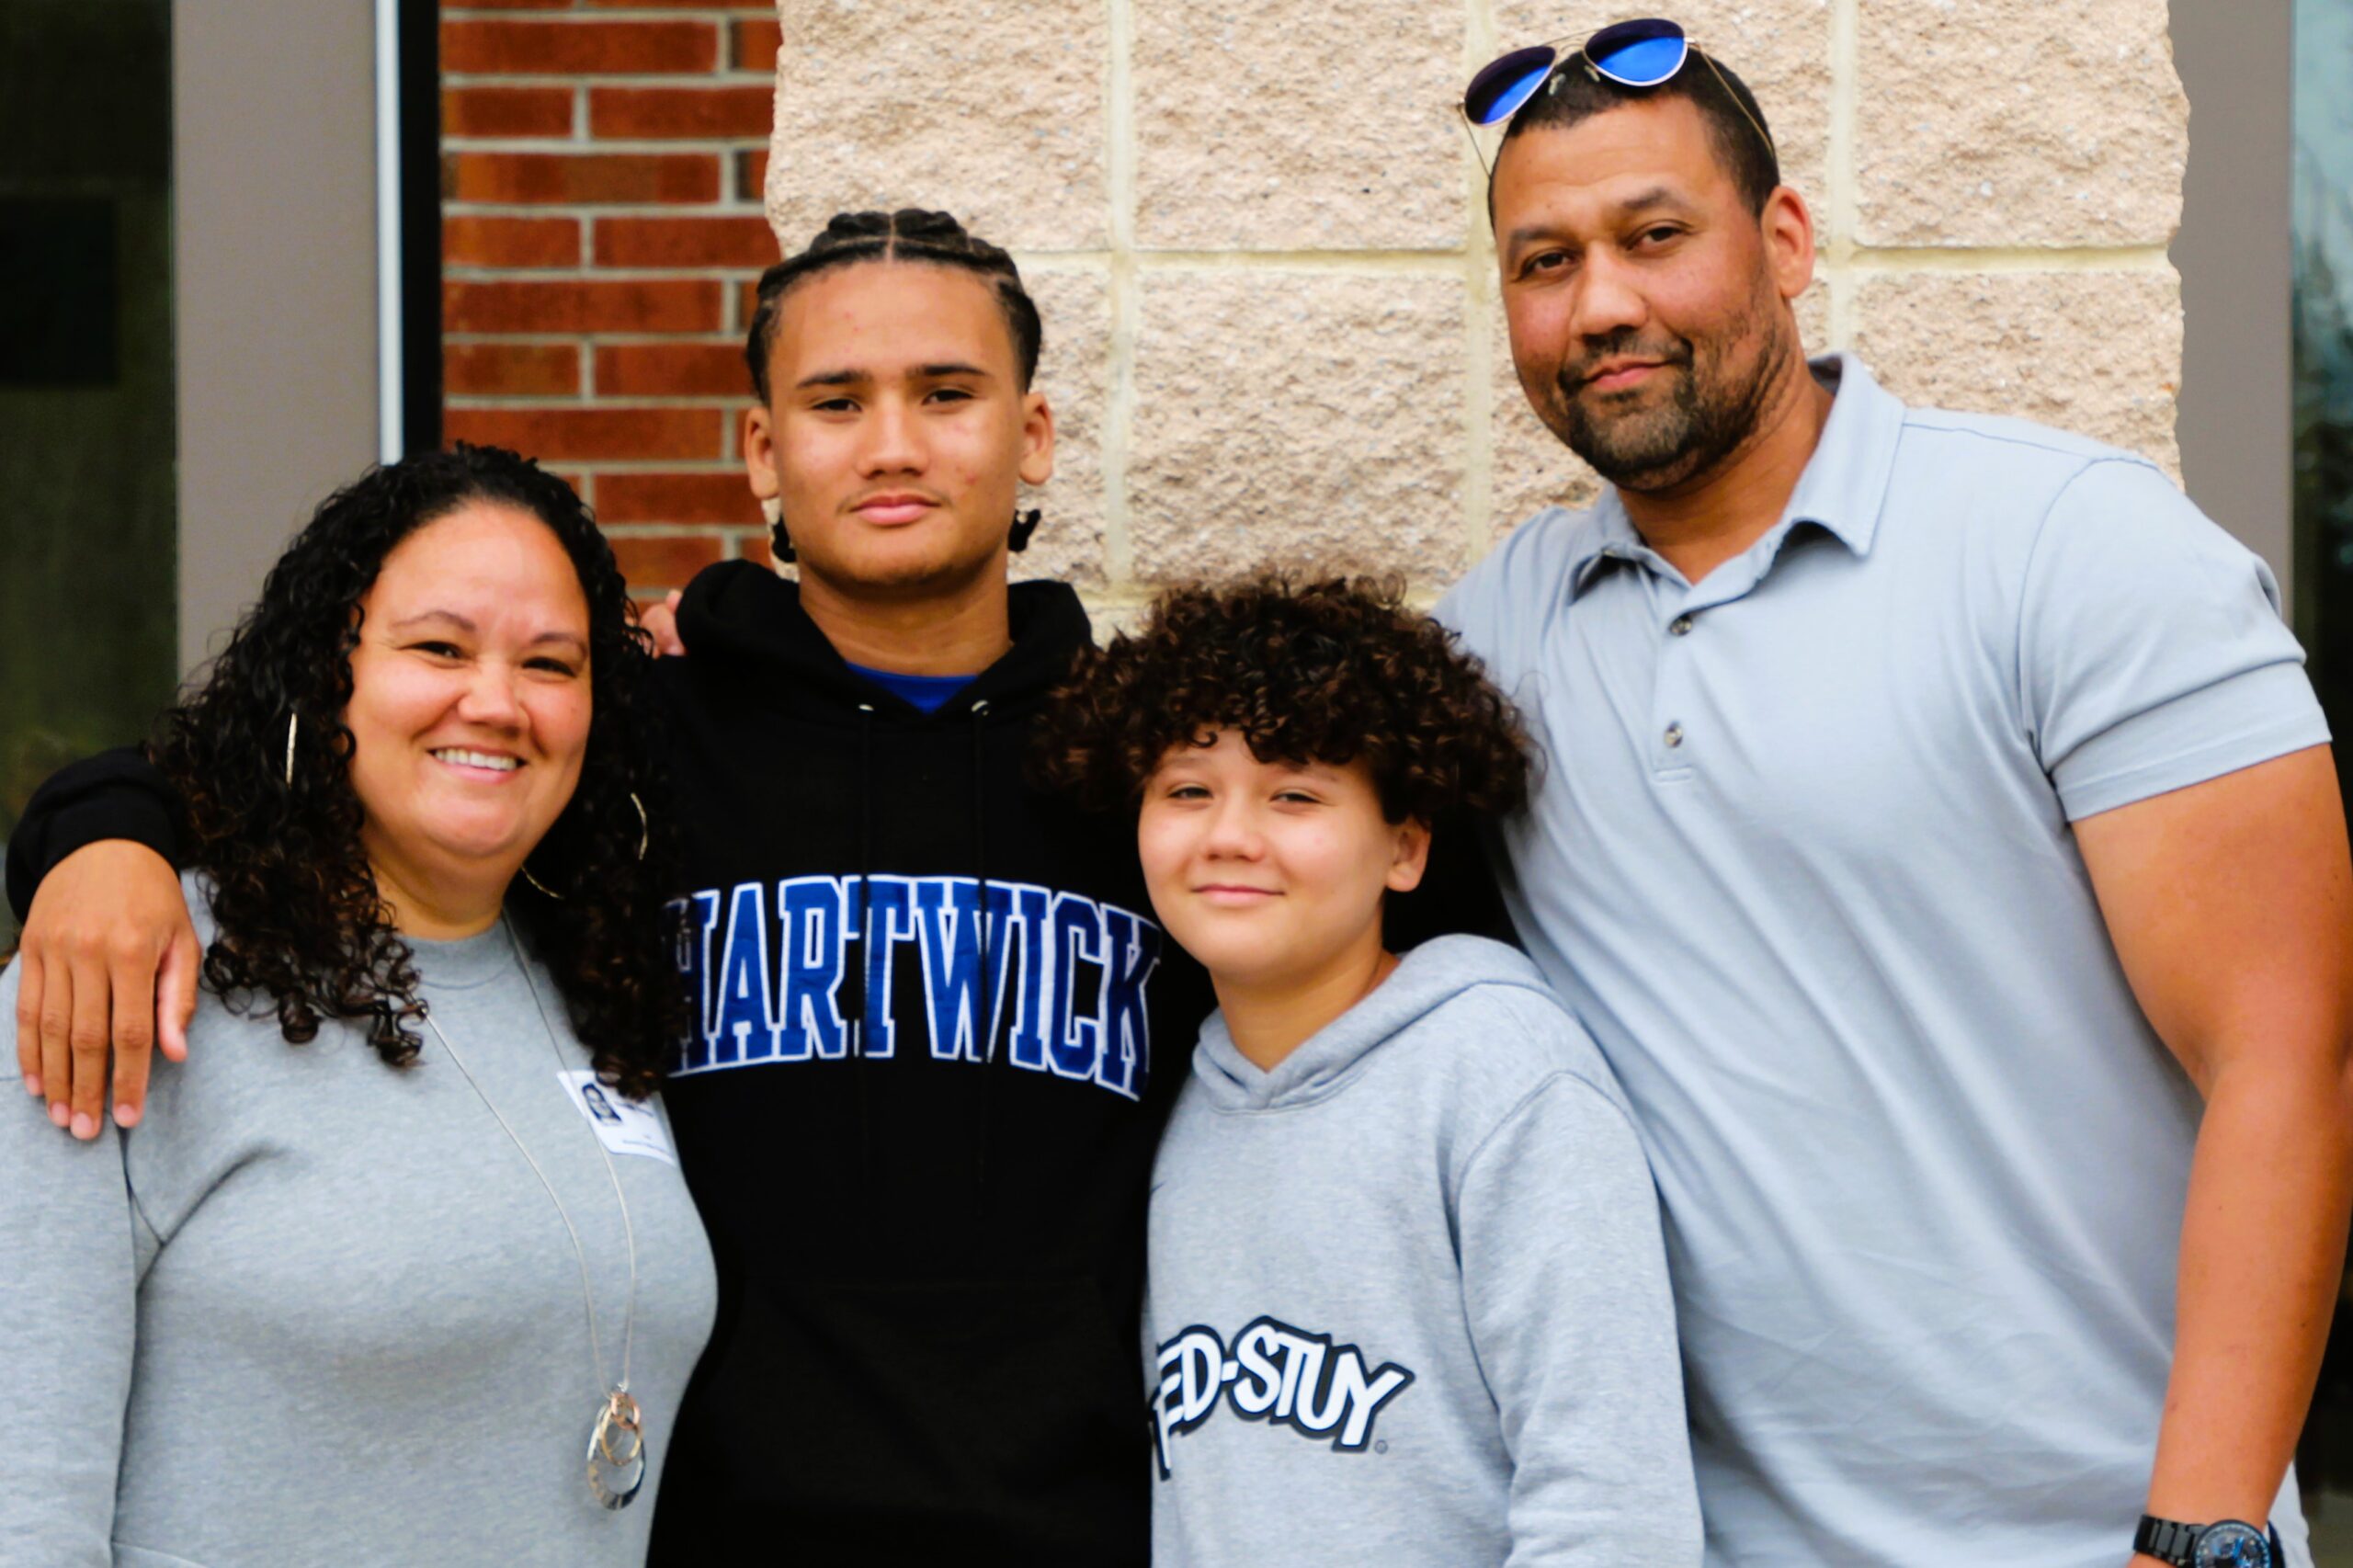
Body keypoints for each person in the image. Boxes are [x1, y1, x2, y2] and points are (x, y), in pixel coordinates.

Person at [7, 210, 1211, 1563]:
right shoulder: (637, 737)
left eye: (947, 394)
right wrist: (101, 840)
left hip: (1079, 1530)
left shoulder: (1154, 773)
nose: (892, 443)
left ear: (1034, 434)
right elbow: (311, 763)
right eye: (834, 400)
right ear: (761, 450)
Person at [1436, 18, 2353, 1568]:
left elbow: (2288, 1055)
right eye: (1545, 263)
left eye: (1655, 237)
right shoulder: (1490, 641)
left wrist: (2198, 1538)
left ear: (1784, 240)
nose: (1602, 305)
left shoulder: (2072, 545)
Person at [0, 444, 717, 1565]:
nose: (494, 700)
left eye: (550, 663)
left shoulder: (598, 984)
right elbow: (21, 1493)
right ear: (323, 670)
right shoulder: (130, 964)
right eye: (437, 646)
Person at [1037, 576, 1700, 1565]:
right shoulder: (1168, 1109)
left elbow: (1611, 1507)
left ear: (1404, 845)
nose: (1228, 834)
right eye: (1186, 789)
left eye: (1294, 793)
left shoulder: (1501, 1077)